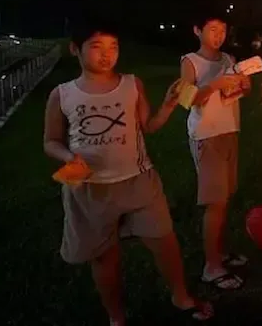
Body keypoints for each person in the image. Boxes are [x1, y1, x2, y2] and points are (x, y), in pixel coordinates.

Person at [43, 18, 213, 326]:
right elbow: (50, 142)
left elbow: (149, 126)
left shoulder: (132, 84)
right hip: (90, 188)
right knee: (104, 256)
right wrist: (68, 156)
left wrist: (168, 105)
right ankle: (116, 317)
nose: (106, 54)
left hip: (139, 180)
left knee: (164, 241)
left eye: (113, 47)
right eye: (97, 47)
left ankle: (181, 296)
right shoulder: (62, 94)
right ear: (75, 49)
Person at [180, 13, 251, 291]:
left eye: (222, 29)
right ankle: (211, 267)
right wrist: (213, 85)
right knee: (215, 202)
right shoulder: (190, 62)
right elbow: (186, 99)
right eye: (212, 29)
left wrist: (244, 85)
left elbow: (236, 94)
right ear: (197, 30)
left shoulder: (228, 59)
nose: (219, 35)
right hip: (207, 136)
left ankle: (219, 253)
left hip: (229, 131)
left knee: (225, 198)